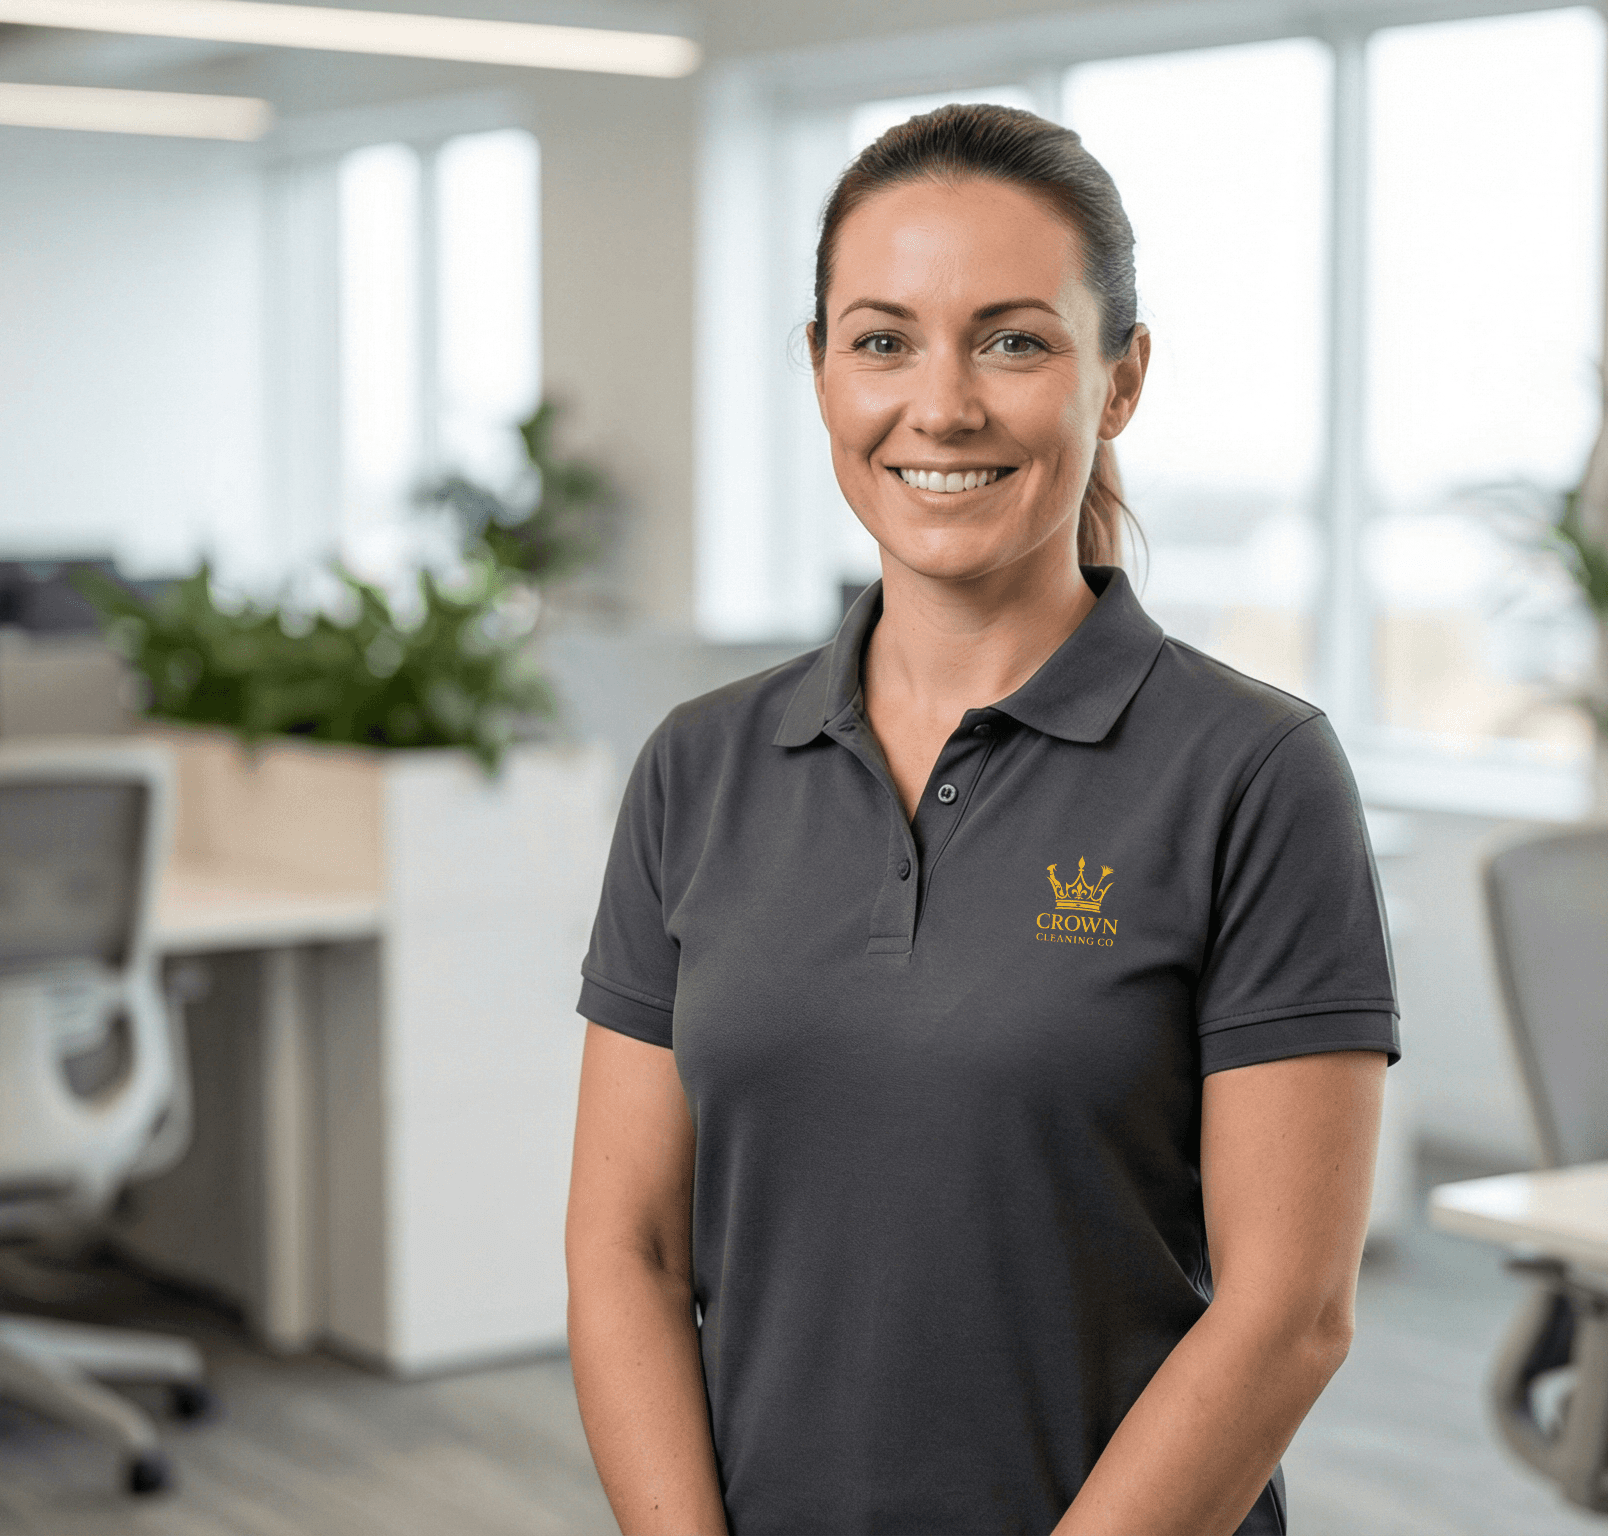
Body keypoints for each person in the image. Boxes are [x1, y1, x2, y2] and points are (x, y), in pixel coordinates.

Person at [565, 103, 1397, 1536]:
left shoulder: (1256, 773)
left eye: (1014, 340)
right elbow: (625, 1248)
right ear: (820, 371)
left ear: (1119, 380)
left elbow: (1291, 1316)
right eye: (881, 339)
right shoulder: (699, 766)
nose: (940, 405)